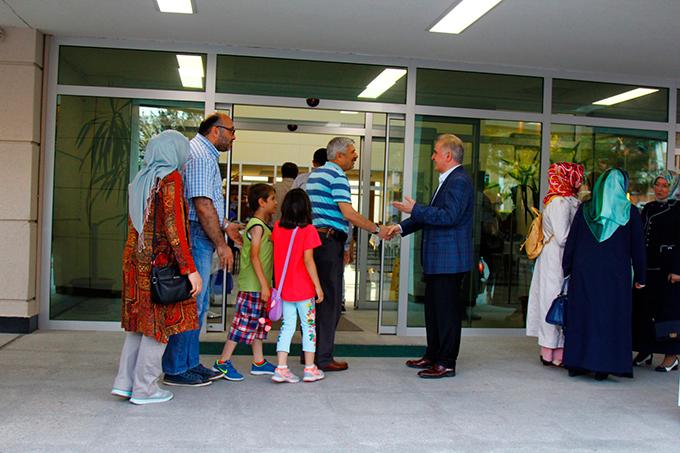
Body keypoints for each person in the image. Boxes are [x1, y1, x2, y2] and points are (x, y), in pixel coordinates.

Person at [113, 130, 203, 404]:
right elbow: (174, 228)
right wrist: (190, 269)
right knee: (157, 327)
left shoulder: (140, 179)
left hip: (135, 264)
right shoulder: (170, 179)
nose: (185, 157)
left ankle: (124, 383)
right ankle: (146, 389)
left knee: (138, 326)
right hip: (160, 266)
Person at [162, 113, 243, 387]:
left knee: (199, 304)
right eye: (231, 131)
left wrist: (226, 224)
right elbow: (202, 204)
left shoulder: (205, 154)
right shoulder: (199, 154)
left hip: (201, 233)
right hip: (197, 235)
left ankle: (190, 363)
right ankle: (176, 368)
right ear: (216, 131)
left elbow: (209, 205)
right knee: (192, 303)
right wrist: (222, 245)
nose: (234, 136)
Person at [387, 133, 474, 379]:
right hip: (439, 261)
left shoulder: (458, 181)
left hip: (449, 261)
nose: (432, 156)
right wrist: (402, 227)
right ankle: (433, 355)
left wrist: (414, 209)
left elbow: (448, 216)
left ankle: (446, 362)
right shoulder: (448, 179)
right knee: (434, 312)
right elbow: (433, 214)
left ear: (448, 155)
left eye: (435, 151)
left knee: (445, 313)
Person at [306, 137, 391, 371]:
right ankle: (323, 358)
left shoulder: (315, 174)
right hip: (328, 242)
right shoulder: (337, 176)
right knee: (330, 301)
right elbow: (348, 213)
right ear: (339, 155)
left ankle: (309, 354)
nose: (355, 156)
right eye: (353, 152)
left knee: (315, 299)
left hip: (315, 242)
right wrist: (377, 229)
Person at [562, 168, 646, 381]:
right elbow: (638, 248)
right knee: (608, 318)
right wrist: (641, 277)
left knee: (583, 316)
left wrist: (567, 267)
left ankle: (577, 363)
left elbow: (572, 241)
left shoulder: (586, 209)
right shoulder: (630, 212)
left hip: (584, 273)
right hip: (614, 277)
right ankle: (603, 366)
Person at [212, 184, 278, 380]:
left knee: (258, 324)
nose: (275, 203)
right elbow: (255, 257)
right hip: (253, 285)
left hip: (258, 284)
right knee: (242, 324)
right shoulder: (257, 226)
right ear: (262, 202)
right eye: (272, 199)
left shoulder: (260, 225)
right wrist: (265, 285)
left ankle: (259, 362)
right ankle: (222, 362)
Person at [526, 162, 584, 367]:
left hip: (557, 258)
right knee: (555, 300)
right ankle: (552, 351)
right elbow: (563, 237)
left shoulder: (564, 199)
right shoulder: (559, 202)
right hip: (557, 258)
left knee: (556, 300)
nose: (580, 181)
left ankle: (555, 350)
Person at [271, 189, 326, 383]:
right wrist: (318, 286)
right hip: (304, 289)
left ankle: (281, 367)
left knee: (287, 326)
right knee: (309, 327)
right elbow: (309, 260)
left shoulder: (277, 227)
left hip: (284, 288)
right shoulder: (309, 230)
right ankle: (310, 368)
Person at [632, 172, 680, 372]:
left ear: (673, 187)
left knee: (667, 313)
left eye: (664, 186)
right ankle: (646, 349)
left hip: (668, 270)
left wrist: (678, 270)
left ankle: (671, 355)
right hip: (648, 268)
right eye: (657, 184)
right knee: (645, 309)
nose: (659, 189)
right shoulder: (649, 207)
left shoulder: (678, 209)